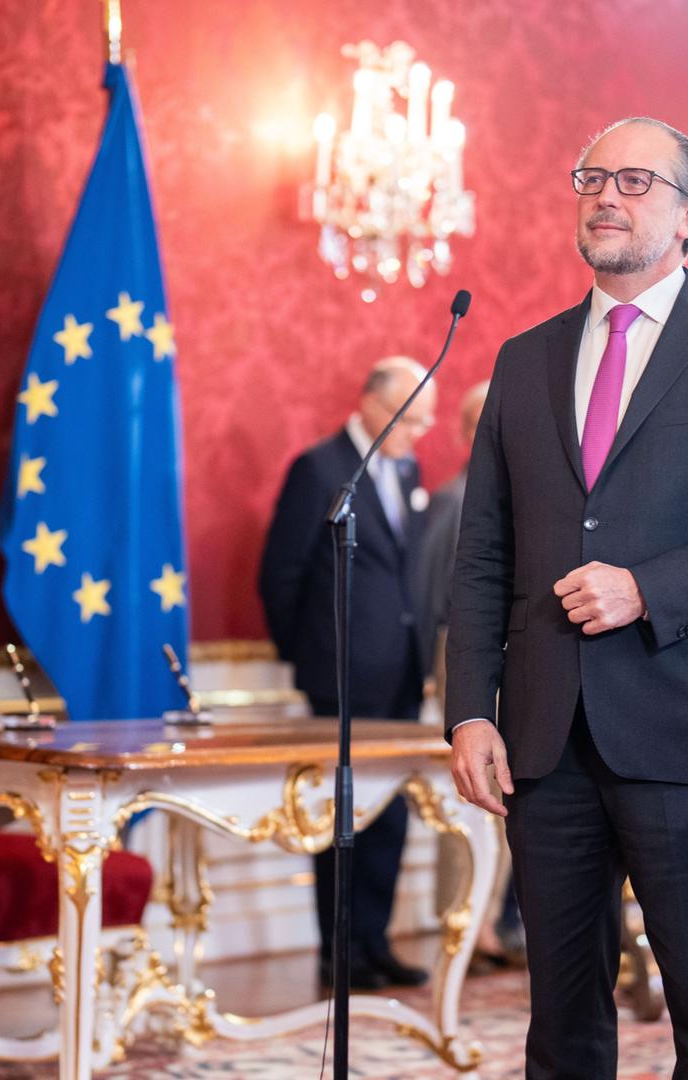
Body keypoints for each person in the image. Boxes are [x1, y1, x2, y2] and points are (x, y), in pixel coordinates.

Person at [446, 116, 688, 1079]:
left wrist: (646, 589)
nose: (607, 194)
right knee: (561, 1028)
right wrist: (466, 714)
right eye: (593, 176)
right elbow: (483, 549)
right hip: (544, 740)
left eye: (638, 181)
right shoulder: (523, 360)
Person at [257, 355, 436, 990]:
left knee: (388, 813)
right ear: (369, 404)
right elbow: (280, 575)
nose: (417, 432)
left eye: (424, 422)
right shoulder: (320, 468)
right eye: (407, 418)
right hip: (339, 678)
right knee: (341, 816)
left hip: (401, 674)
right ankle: (339, 951)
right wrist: (312, 659)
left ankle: (374, 941)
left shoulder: (408, 469)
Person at [416, 381, 525, 969]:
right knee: (471, 795)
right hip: (471, 657)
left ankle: (484, 922)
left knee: (501, 795)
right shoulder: (456, 499)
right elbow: (443, 598)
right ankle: (465, 923)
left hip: (507, 657)